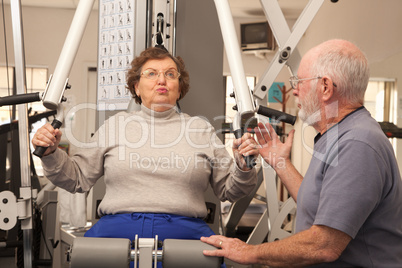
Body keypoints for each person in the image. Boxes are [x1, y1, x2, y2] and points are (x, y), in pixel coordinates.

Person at [32, 47, 259, 268]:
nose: (162, 80)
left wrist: (243, 167)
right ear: (136, 87)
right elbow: (76, 179)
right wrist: (51, 154)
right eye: (151, 74)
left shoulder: (200, 129)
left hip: (184, 232)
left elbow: (230, 191)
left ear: (179, 89)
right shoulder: (116, 125)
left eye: (170, 75)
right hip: (116, 230)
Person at [201, 39, 402, 267]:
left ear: (325, 87)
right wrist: (280, 162)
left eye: (299, 81)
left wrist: (250, 252)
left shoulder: (357, 143)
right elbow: (318, 205)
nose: (294, 90)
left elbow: (324, 245)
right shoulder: (338, 135)